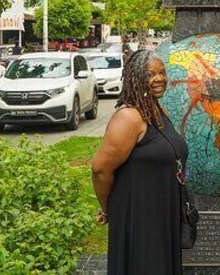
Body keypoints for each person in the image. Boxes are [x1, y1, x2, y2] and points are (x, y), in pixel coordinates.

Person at [91, 50, 188, 275]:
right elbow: (100, 169)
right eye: (150, 74)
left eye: (162, 73)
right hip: (139, 213)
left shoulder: (157, 110)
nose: (159, 79)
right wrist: (107, 209)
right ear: (135, 77)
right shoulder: (129, 117)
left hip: (162, 209)